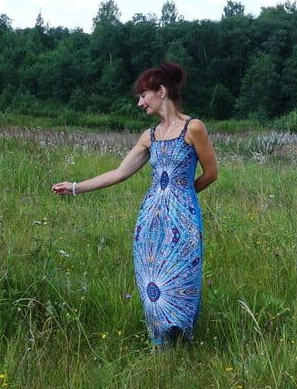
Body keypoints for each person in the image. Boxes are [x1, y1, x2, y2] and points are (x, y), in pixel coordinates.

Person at [52, 62, 218, 345]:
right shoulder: (149, 136)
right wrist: (77, 187)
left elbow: (211, 174)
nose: (140, 102)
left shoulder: (194, 128)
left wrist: (182, 200)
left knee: (182, 278)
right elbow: (119, 172)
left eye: (144, 95)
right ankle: (161, 346)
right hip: (150, 222)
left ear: (162, 91)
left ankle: (183, 342)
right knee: (152, 279)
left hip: (183, 220)